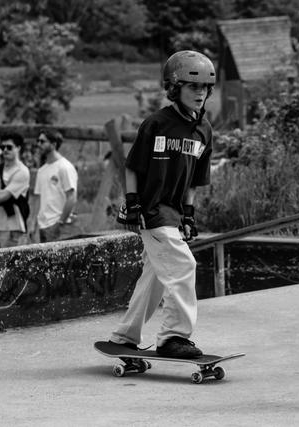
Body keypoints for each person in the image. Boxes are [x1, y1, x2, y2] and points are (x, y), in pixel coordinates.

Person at [108, 50, 214, 358]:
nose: (200, 93)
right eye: (193, 86)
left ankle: (124, 336)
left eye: (205, 88)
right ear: (174, 87)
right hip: (151, 210)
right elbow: (131, 166)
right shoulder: (156, 124)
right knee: (183, 265)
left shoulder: (204, 131)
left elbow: (194, 179)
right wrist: (132, 202)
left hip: (174, 213)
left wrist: (190, 215)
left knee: (153, 278)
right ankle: (173, 337)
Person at [28, 130, 78, 243]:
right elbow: (38, 199)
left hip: (60, 226)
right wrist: (33, 223)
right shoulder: (41, 170)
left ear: (53, 145)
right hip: (43, 226)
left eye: (42, 141)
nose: (38, 145)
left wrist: (60, 222)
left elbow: (72, 197)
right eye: (38, 141)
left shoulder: (65, 167)